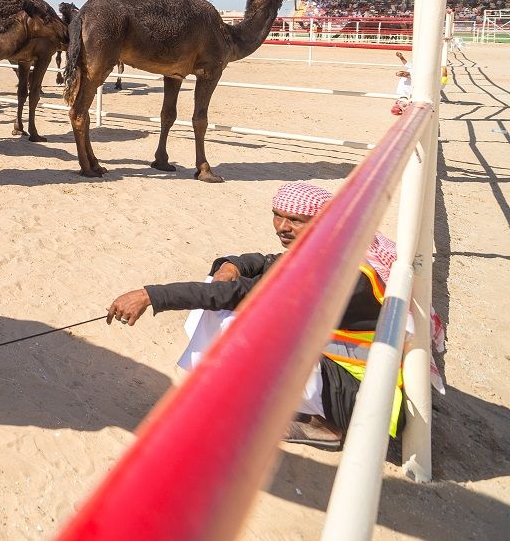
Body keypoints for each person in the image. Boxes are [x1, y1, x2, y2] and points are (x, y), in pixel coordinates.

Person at [106, 182, 445, 450]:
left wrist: (150, 295)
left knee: (245, 328)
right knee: (225, 297)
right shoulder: (340, 244)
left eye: (295, 220)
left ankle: (321, 424)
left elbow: (242, 293)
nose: (282, 227)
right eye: (277, 215)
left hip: (367, 399)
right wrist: (232, 264)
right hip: (354, 377)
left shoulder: (335, 272)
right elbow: (268, 262)